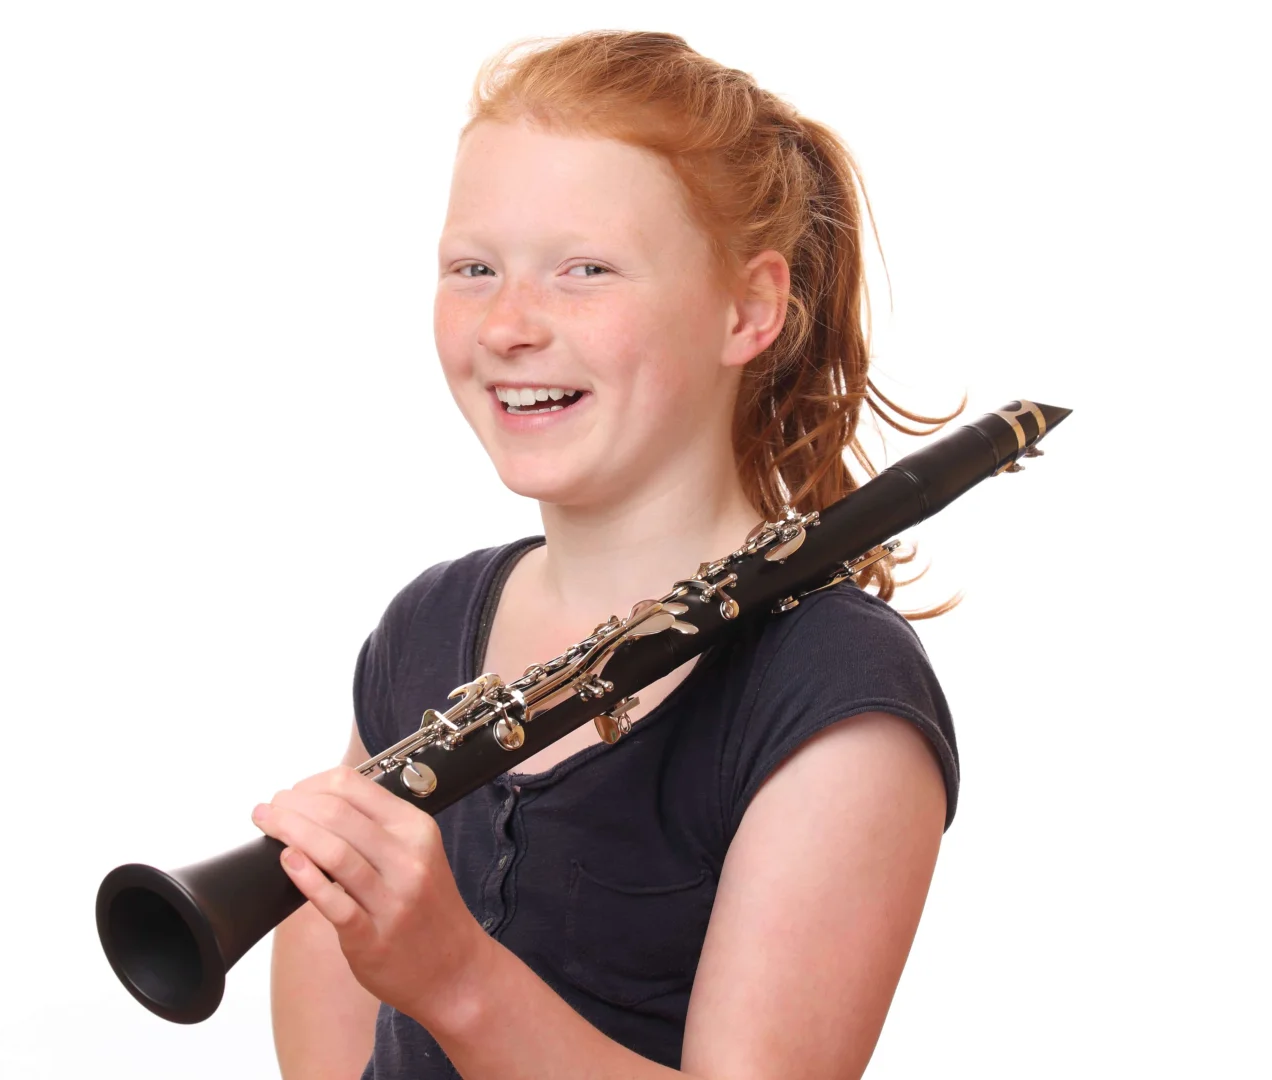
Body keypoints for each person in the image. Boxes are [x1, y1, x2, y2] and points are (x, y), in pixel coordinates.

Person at [255, 29, 961, 1080]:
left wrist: (454, 977)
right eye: (474, 269)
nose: (507, 326)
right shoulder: (427, 625)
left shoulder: (834, 687)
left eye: (584, 270)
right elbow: (327, 1015)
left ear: (749, 309)